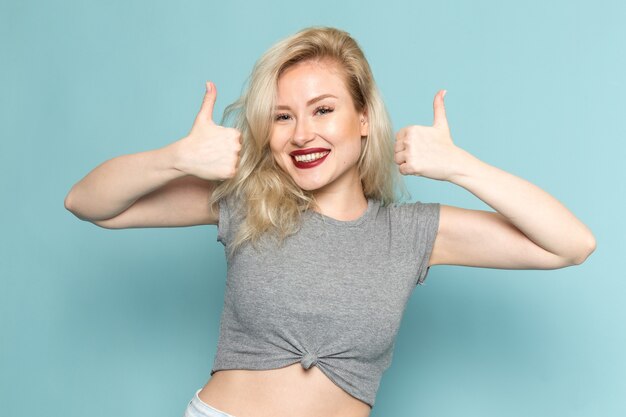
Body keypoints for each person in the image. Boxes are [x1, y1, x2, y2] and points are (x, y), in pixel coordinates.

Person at [64, 26, 596, 417]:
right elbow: (88, 204)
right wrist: (176, 157)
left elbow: (570, 244)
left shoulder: (408, 234)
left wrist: (461, 167)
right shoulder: (247, 203)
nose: (301, 134)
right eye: (282, 115)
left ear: (364, 119)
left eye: (322, 110)